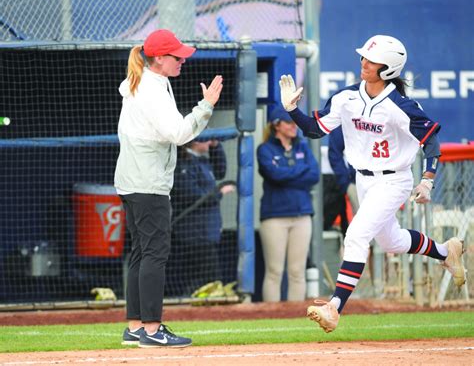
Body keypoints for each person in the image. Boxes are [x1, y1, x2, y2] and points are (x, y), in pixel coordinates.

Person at [279, 35, 466, 332]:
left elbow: (431, 141)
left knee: (355, 236)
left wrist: (428, 179)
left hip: (393, 181)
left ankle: (334, 307)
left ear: (388, 69)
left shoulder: (400, 105)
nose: (364, 63)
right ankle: (445, 252)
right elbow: (316, 129)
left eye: (371, 60)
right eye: (364, 58)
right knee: (389, 241)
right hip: (364, 179)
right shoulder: (346, 97)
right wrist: (292, 110)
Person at [114, 29, 223, 347]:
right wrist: (206, 106)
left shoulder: (146, 83)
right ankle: (151, 329)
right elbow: (179, 133)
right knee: (154, 254)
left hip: (134, 181)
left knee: (141, 252)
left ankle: (136, 326)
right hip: (147, 184)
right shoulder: (150, 88)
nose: (182, 60)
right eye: (176, 57)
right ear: (159, 58)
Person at [257, 107, 320, 302]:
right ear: (277, 125)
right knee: (275, 271)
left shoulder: (302, 147)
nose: (294, 127)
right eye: (289, 123)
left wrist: (287, 173)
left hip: (302, 215)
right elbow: (274, 176)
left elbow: (314, 175)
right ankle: (272, 319)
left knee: (297, 271)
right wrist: (299, 171)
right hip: (274, 216)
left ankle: (295, 318)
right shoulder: (265, 149)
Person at [166, 139, 234, 297]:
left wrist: (216, 146)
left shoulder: (202, 161)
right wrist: (219, 193)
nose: (210, 142)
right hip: (192, 231)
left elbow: (220, 171)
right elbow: (191, 195)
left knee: (204, 277)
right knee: (210, 278)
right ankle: (186, 306)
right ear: (195, 141)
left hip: (208, 230)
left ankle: (190, 306)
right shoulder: (181, 164)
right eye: (208, 138)